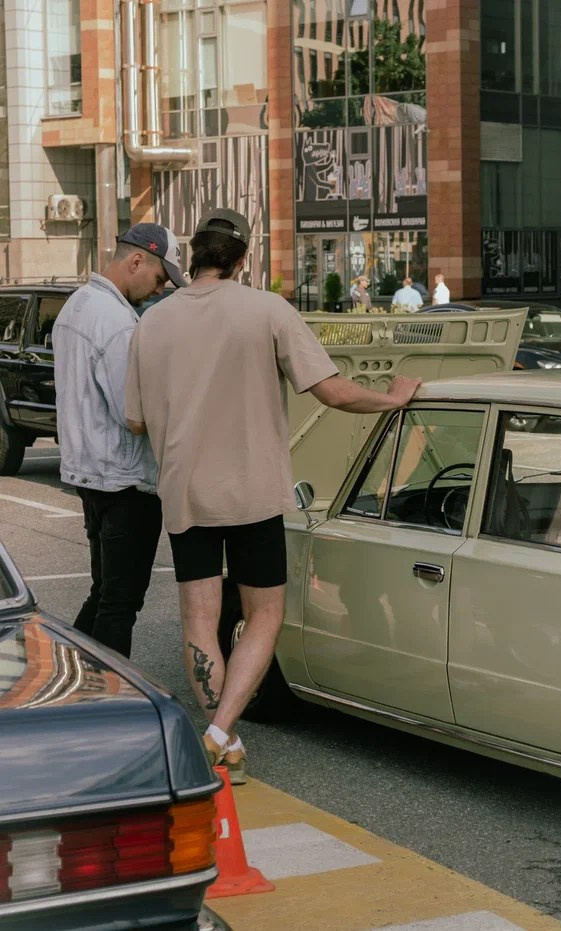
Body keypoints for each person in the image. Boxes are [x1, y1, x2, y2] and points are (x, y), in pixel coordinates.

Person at [125, 207, 422, 784]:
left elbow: (135, 422)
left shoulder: (151, 324)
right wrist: (391, 398)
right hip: (253, 491)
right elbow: (332, 393)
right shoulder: (267, 310)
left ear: (192, 258)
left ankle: (224, 738)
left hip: (185, 490)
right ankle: (217, 734)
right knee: (265, 616)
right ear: (242, 259)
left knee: (199, 621)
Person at [53, 223, 185, 658]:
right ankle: (106, 701)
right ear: (135, 261)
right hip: (125, 481)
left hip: (90, 472)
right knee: (120, 603)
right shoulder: (117, 321)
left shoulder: (77, 305)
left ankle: (70, 677)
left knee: (104, 592)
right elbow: (134, 415)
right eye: (160, 278)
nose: (159, 289)